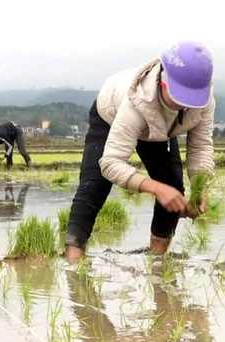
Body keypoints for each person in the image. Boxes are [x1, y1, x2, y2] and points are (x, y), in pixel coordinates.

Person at [65, 41, 215, 263]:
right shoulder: (136, 99)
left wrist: (199, 188)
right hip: (111, 114)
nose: (186, 106)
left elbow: (201, 146)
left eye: (191, 100)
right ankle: (73, 265)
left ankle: (156, 263)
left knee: (173, 187)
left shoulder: (203, 99)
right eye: (181, 98)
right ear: (164, 84)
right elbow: (111, 162)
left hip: (159, 130)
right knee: (93, 186)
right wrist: (154, 188)